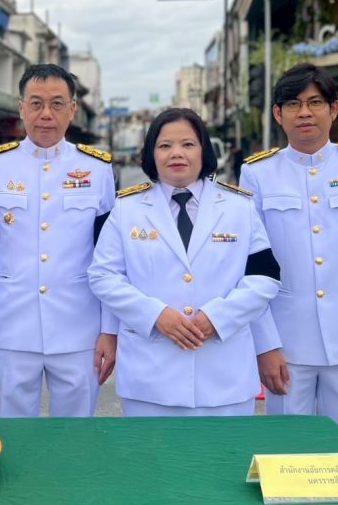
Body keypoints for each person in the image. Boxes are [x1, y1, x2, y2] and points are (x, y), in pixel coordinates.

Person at [88, 107, 280, 417]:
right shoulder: (127, 209)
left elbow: (265, 276)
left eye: (188, 144)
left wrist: (217, 317)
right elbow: (103, 275)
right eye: (165, 145)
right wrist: (155, 315)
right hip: (150, 378)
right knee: (152, 451)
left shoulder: (238, 207)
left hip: (224, 375)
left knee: (224, 450)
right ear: (151, 154)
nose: (176, 153)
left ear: (204, 150)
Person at [241, 62, 338, 443]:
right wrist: (265, 345)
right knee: (286, 456)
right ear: (278, 114)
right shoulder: (257, 174)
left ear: (334, 109)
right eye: (293, 104)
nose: (304, 112)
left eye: (315, 102)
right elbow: (251, 267)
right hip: (286, 345)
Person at [0, 63, 116, 417]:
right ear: (21, 108)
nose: (46, 114)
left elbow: (111, 258)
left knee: (76, 436)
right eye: (36, 104)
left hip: (79, 327)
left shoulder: (97, 169)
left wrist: (110, 330)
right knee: (13, 436)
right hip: (9, 327)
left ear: (73, 110)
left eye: (56, 104)